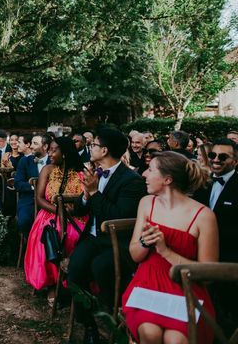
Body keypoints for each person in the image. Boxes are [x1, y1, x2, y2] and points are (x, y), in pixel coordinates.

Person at [122, 151, 217, 344]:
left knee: (176, 340)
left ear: (167, 179)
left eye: (150, 170)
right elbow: (135, 255)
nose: (144, 175)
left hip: (186, 287)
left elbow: (207, 276)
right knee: (150, 333)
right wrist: (144, 242)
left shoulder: (203, 216)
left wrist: (165, 251)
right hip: (148, 282)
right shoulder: (146, 203)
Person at [67, 128, 145, 344]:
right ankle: (89, 326)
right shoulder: (94, 173)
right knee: (75, 270)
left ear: (104, 150)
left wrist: (94, 193)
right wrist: (85, 197)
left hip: (115, 242)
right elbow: (82, 211)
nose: (90, 148)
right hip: (92, 238)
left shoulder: (132, 181)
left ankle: (114, 321)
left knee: (101, 267)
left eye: (93, 145)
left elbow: (117, 218)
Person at [24, 137, 87, 302]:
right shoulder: (48, 170)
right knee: (54, 234)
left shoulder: (81, 172)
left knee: (77, 236)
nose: (50, 153)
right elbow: (39, 198)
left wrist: (72, 212)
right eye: (49, 149)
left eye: (54, 150)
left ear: (64, 153)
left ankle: (73, 282)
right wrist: (59, 212)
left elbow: (85, 198)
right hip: (50, 214)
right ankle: (52, 284)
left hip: (76, 215)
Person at [193, 138, 238, 334]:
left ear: (235, 161)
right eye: (212, 155)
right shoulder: (202, 183)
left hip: (229, 260)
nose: (216, 160)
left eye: (223, 156)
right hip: (198, 255)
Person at [14, 134, 51, 236]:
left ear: (45, 146)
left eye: (35, 143)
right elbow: (18, 183)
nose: (31, 146)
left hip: (50, 201)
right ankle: (30, 244)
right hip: (29, 200)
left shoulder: (53, 161)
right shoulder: (25, 161)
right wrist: (33, 187)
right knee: (24, 221)